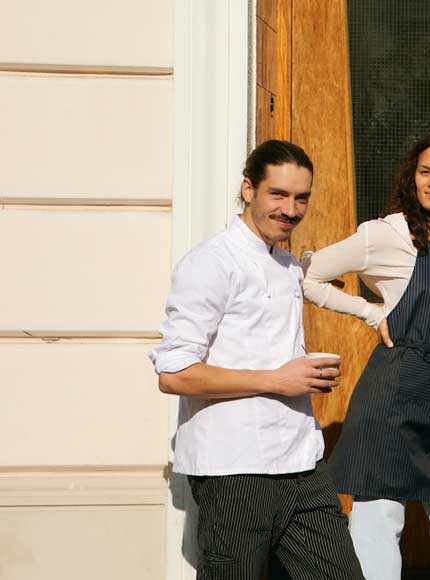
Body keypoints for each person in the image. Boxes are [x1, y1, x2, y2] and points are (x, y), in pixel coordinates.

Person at [150, 140, 364, 580]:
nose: (290, 209)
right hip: (233, 468)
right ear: (248, 189)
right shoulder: (209, 263)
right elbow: (174, 374)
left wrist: (305, 372)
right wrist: (276, 380)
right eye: (278, 194)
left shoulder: (287, 266)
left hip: (302, 464)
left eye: (301, 197)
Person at [301, 129, 430, 580]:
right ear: (412, 177)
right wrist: (369, 312)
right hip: (389, 398)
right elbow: (308, 275)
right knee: (376, 537)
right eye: (425, 171)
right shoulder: (385, 235)